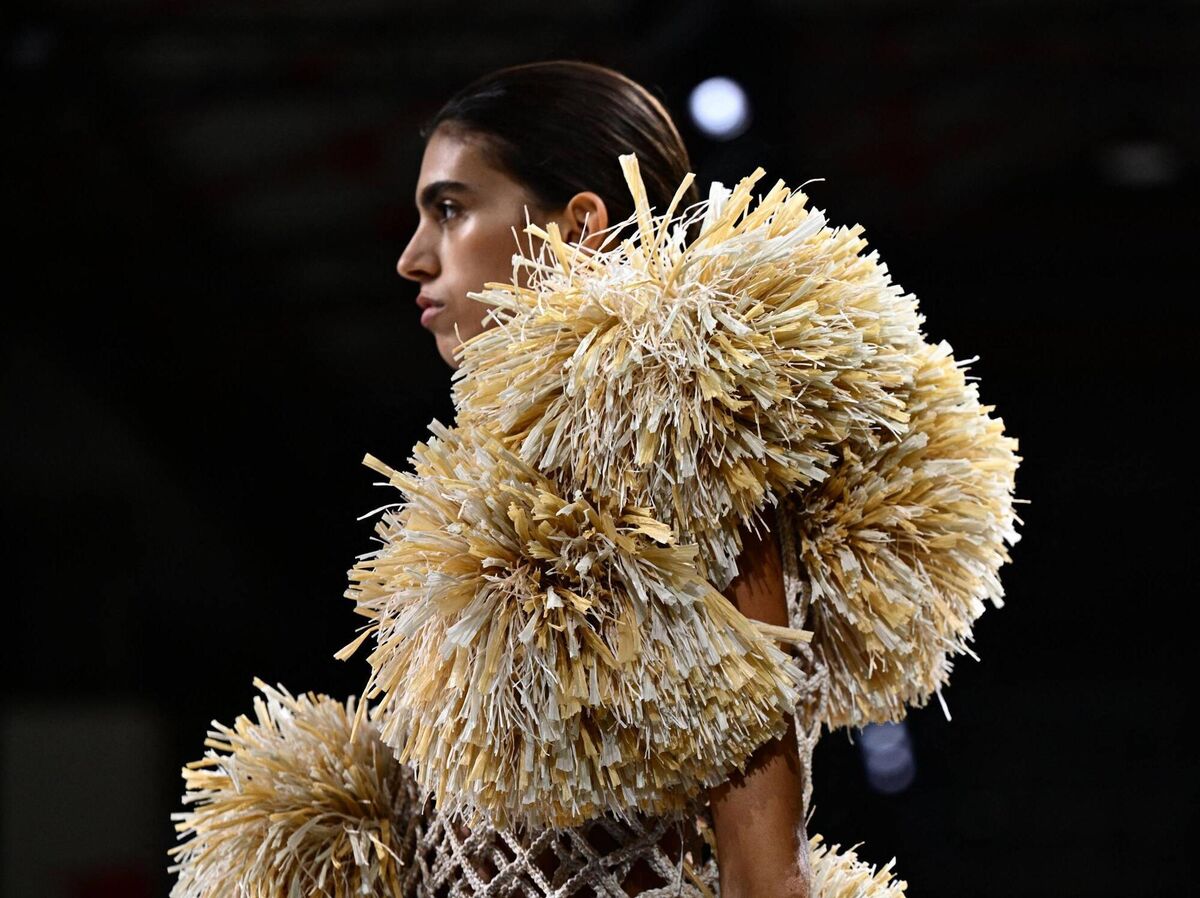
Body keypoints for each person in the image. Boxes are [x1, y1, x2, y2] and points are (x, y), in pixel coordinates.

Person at [395, 59, 812, 898]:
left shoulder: (697, 462)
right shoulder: (473, 507)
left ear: (579, 222)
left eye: (451, 208)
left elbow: (763, 857)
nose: (412, 258)